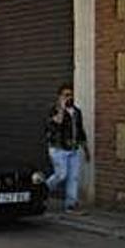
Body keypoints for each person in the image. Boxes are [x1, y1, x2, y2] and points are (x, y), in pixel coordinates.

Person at [45, 83, 91, 215]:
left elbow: (81, 131)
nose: (69, 97)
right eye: (66, 95)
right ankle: (41, 190)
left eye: (71, 95)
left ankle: (70, 205)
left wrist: (86, 149)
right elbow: (57, 123)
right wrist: (62, 107)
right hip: (58, 148)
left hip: (74, 149)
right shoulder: (54, 110)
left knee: (73, 177)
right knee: (61, 175)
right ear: (60, 97)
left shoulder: (77, 112)